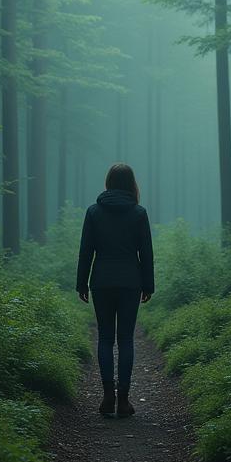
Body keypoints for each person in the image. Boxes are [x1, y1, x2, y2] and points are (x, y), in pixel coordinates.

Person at [76, 162, 154, 417]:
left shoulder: (94, 212)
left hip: (101, 282)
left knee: (106, 339)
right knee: (126, 340)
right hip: (130, 282)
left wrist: (82, 283)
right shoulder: (139, 213)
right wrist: (148, 284)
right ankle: (123, 401)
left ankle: (108, 396)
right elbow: (147, 254)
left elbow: (86, 251)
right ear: (132, 183)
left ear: (109, 181)